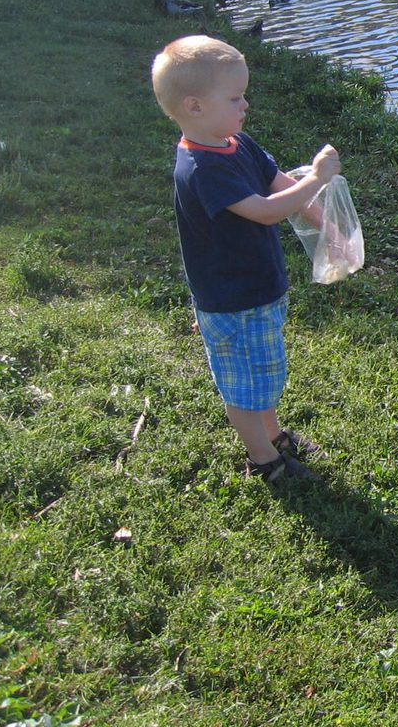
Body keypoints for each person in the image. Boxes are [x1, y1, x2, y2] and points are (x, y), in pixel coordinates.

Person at [151, 35, 340, 484]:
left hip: (258, 287)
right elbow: (266, 210)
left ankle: (272, 434)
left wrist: (326, 226)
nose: (246, 104)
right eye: (235, 97)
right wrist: (316, 178)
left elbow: (275, 184)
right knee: (243, 384)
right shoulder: (202, 168)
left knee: (263, 373)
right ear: (195, 107)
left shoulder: (236, 142)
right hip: (231, 297)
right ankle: (264, 460)